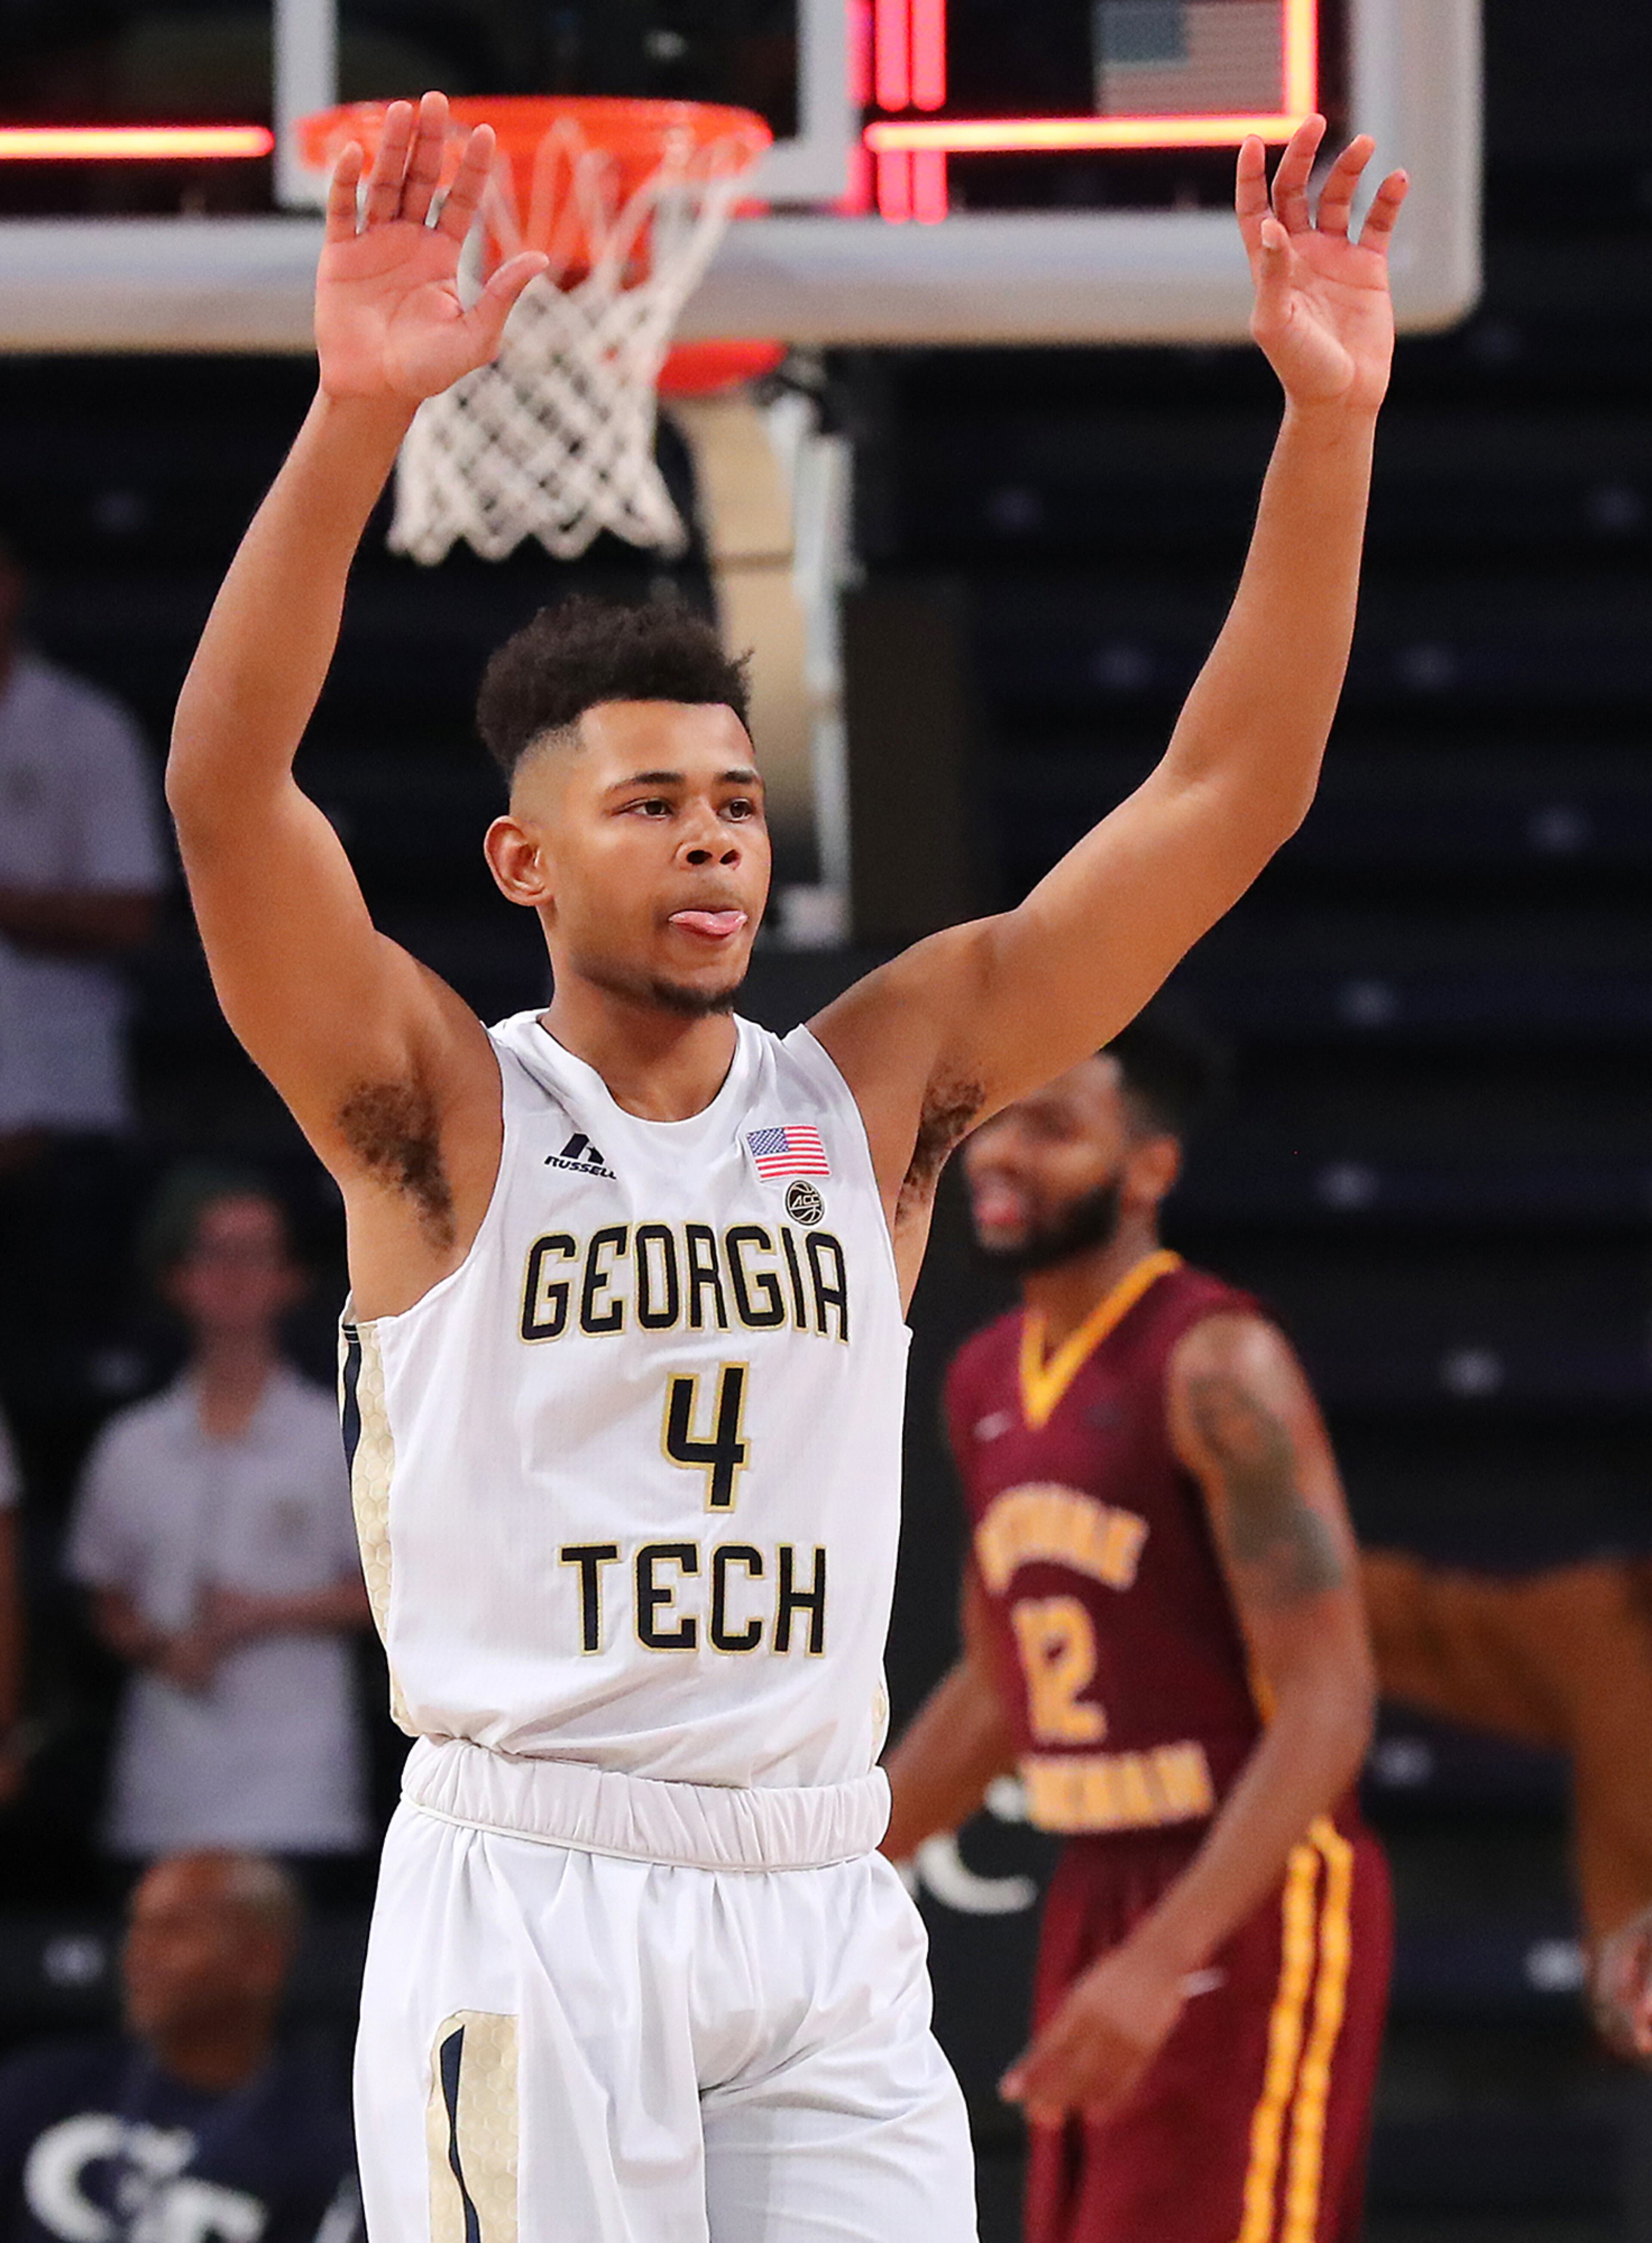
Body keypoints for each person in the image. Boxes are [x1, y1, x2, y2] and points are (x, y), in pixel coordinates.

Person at [162, 89, 1405, 2240]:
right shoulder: (442, 1113)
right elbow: (223, 791)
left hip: (820, 1892)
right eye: (650, 803)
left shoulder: (877, 1084)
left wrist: (1328, 421)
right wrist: (357, 417)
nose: (713, 832)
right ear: (524, 858)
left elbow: (1231, 795)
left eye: (733, 796)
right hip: (536, 1890)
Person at [881, 1017, 1390, 2243]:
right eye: (994, 1118)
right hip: (1097, 1878)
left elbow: (1330, 1699)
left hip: (1252, 1881)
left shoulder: (1220, 1362)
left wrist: (1167, 1954)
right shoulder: (983, 1376)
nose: (1001, 1153)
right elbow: (1003, 1688)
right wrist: (828, 1867)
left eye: (1052, 1125)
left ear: (1149, 1167)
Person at [66, 1171, 371, 1864]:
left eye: (255, 1254)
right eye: (214, 1253)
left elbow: (389, 1595)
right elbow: (103, 1593)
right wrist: (155, 1643)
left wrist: (265, 1613)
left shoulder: (334, 1435)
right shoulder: (131, 1442)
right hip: (165, 1787)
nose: (233, 1275)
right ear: (176, 1277)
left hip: (301, 1790)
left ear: (291, 1278)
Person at [0, 1849, 360, 2243]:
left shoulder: (317, 2143)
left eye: (173, 1930)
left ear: (262, 1959)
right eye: (138, 1928)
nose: (138, 1954)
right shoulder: (41, 2087)